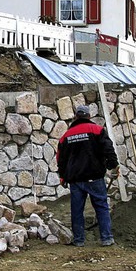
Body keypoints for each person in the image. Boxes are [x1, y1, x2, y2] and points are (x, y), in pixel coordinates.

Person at [56, 104, 119, 247]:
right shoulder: (97, 130)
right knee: (102, 207)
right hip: (95, 177)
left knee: (77, 210)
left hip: (76, 180)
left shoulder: (66, 136)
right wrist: (113, 166)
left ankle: (79, 240)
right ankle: (106, 238)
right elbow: (108, 149)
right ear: (89, 116)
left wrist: (63, 176)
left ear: (76, 117)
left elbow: (61, 158)